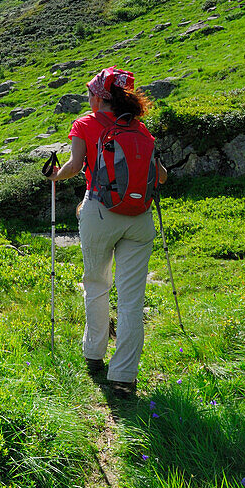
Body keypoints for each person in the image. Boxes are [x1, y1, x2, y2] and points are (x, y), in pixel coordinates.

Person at [42, 66, 167, 400]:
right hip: (139, 220)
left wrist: (54, 176)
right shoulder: (139, 128)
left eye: (89, 92)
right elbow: (162, 177)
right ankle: (124, 376)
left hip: (99, 212)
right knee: (131, 301)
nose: (88, 97)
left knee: (96, 285)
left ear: (99, 96)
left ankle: (94, 356)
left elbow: (73, 167)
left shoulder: (85, 123)